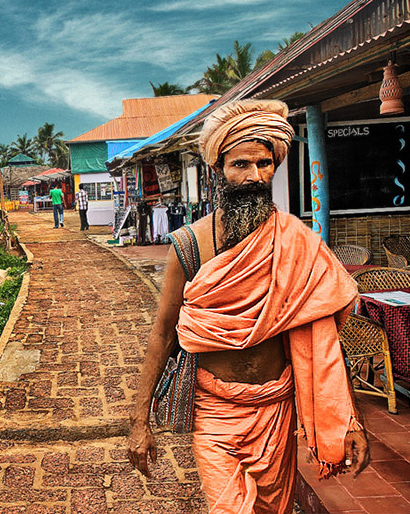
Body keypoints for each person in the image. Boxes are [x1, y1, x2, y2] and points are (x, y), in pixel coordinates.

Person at [127, 99, 369, 514]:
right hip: (215, 413)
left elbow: (326, 341)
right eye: (241, 164)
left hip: (277, 408)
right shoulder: (189, 246)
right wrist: (138, 421)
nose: (255, 176)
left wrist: (350, 418)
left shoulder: (298, 243)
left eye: (264, 163)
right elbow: (163, 334)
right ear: (217, 168)